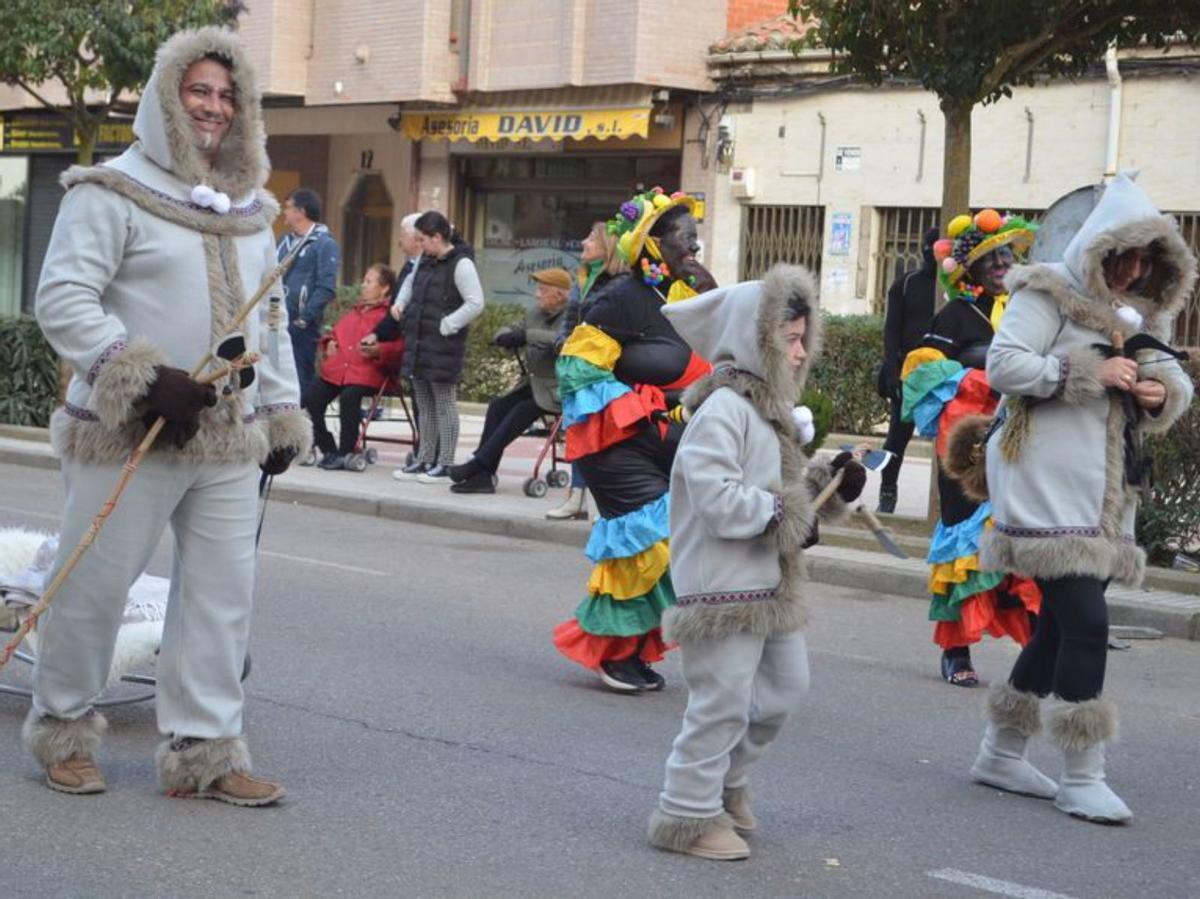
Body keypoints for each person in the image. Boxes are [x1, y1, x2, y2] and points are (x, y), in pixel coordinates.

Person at [26, 26, 310, 804]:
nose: (214, 107)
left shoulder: (254, 211)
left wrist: (281, 411)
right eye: (199, 92)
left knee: (223, 595)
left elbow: (272, 318)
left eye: (227, 95)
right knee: (94, 585)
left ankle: (205, 750)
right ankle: (63, 728)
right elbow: (63, 298)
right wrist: (142, 375)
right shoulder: (109, 189)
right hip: (130, 427)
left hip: (226, 436)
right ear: (166, 100)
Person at [969, 173, 1194, 824]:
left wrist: (1159, 392)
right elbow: (1004, 366)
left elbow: (1167, 373)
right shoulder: (1048, 295)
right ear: (1098, 247)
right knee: (1087, 624)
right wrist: (1086, 373)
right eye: (1125, 256)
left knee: (1061, 623)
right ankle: (1081, 774)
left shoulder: (1137, 317)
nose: (1134, 270)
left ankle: (1001, 751)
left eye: (1148, 259)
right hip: (1043, 486)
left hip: (1100, 496)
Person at [647, 265, 866, 861]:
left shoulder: (763, 411)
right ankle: (687, 815)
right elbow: (719, 501)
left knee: (783, 693)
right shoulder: (722, 410)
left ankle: (726, 782)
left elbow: (781, 489)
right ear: (754, 340)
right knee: (718, 703)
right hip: (720, 586)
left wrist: (829, 484)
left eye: (803, 339)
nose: (799, 353)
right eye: (788, 340)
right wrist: (788, 512)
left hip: (765, 582)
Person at [551, 187, 717, 694]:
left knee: (676, 551)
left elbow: (729, 350)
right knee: (647, 549)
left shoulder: (685, 298)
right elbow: (577, 371)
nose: (694, 247)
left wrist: (709, 286)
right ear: (651, 243)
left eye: (696, 239)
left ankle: (638, 647)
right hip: (618, 447)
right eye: (685, 239)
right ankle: (608, 651)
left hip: (667, 445)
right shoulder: (618, 299)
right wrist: (644, 406)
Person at [900, 210, 1042, 687]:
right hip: (969, 450)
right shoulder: (955, 315)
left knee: (1026, 541)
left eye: (1006, 254)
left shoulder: (1026, 312)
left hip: (1022, 447)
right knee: (966, 545)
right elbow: (922, 379)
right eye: (990, 258)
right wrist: (985, 380)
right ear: (971, 271)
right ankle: (956, 650)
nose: (1002, 263)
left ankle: (1042, 642)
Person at [447, 268, 570, 494]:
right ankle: (484, 476)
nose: (537, 294)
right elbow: (512, 328)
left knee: (521, 410)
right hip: (534, 385)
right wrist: (504, 336)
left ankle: (477, 463)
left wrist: (528, 337)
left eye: (543, 290)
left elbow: (563, 340)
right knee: (497, 406)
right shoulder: (535, 313)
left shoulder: (572, 316)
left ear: (560, 295)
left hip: (559, 388)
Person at [390, 211, 485, 483]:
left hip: (443, 343)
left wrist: (450, 323)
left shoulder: (461, 263)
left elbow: (475, 302)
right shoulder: (426, 260)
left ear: (437, 237)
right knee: (424, 401)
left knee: (443, 403)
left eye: (423, 240)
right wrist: (400, 303)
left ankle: (445, 461)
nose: (420, 245)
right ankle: (424, 457)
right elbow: (410, 283)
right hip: (420, 339)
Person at [545, 222, 628, 521]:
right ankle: (576, 496)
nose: (583, 241)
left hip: (601, 368)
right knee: (578, 428)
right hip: (576, 366)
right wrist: (561, 345)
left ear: (608, 245)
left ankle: (592, 498)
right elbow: (569, 320)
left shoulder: (620, 282)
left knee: (596, 433)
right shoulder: (583, 278)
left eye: (591, 237)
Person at [305, 263, 404, 470]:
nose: (363, 285)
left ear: (384, 288)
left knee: (350, 397)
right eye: (364, 281)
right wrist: (329, 344)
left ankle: (346, 450)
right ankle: (328, 447)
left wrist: (380, 350)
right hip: (338, 371)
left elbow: (400, 348)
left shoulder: (390, 315)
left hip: (368, 373)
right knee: (309, 399)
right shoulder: (354, 312)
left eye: (369, 281)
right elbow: (335, 335)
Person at [876, 227, 938, 513]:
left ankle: (943, 505)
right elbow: (891, 330)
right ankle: (887, 494)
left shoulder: (956, 287)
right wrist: (892, 371)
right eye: (929, 246)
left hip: (941, 375)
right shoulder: (906, 284)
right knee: (897, 439)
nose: (932, 253)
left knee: (948, 441)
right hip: (907, 374)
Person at [278, 187, 340, 406]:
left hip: (300, 327)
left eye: (288, 207)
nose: (284, 212)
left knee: (299, 378)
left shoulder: (325, 244)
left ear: (301, 211)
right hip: (277, 323)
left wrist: (304, 319)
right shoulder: (283, 243)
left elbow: (326, 287)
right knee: (276, 378)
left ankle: (300, 435)